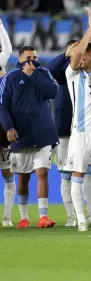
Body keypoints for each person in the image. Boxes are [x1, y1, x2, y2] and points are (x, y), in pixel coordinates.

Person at [0, 45, 59, 229]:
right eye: (27, 58)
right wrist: (8, 127)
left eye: (34, 57)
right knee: (23, 177)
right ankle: (24, 217)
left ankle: (43, 216)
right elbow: (2, 106)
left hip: (42, 133)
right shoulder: (10, 78)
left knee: (42, 172)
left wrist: (33, 75)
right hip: (20, 135)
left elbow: (53, 92)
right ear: (19, 60)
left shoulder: (44, 74)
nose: (31, 61)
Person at [63, 11, 91, 231]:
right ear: (84, 58)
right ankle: (80, 219)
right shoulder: (73, 75)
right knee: (77, 175)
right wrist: (89, 29)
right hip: (79, 132)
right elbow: (77, 52)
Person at [45, 39, 79, 227]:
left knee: (90, 173)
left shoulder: (86, 69)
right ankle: (70, 216)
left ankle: (90, 215)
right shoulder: (61, 72)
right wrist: (64, 56)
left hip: (87, 129)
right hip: (65, 129)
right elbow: (46, 72)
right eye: (72, 49)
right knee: (66, 173)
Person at [0, 19, 14, 227]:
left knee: (7, 171)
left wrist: (1, 26)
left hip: (2, 128)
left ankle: (8, 217)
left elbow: (8, 50)